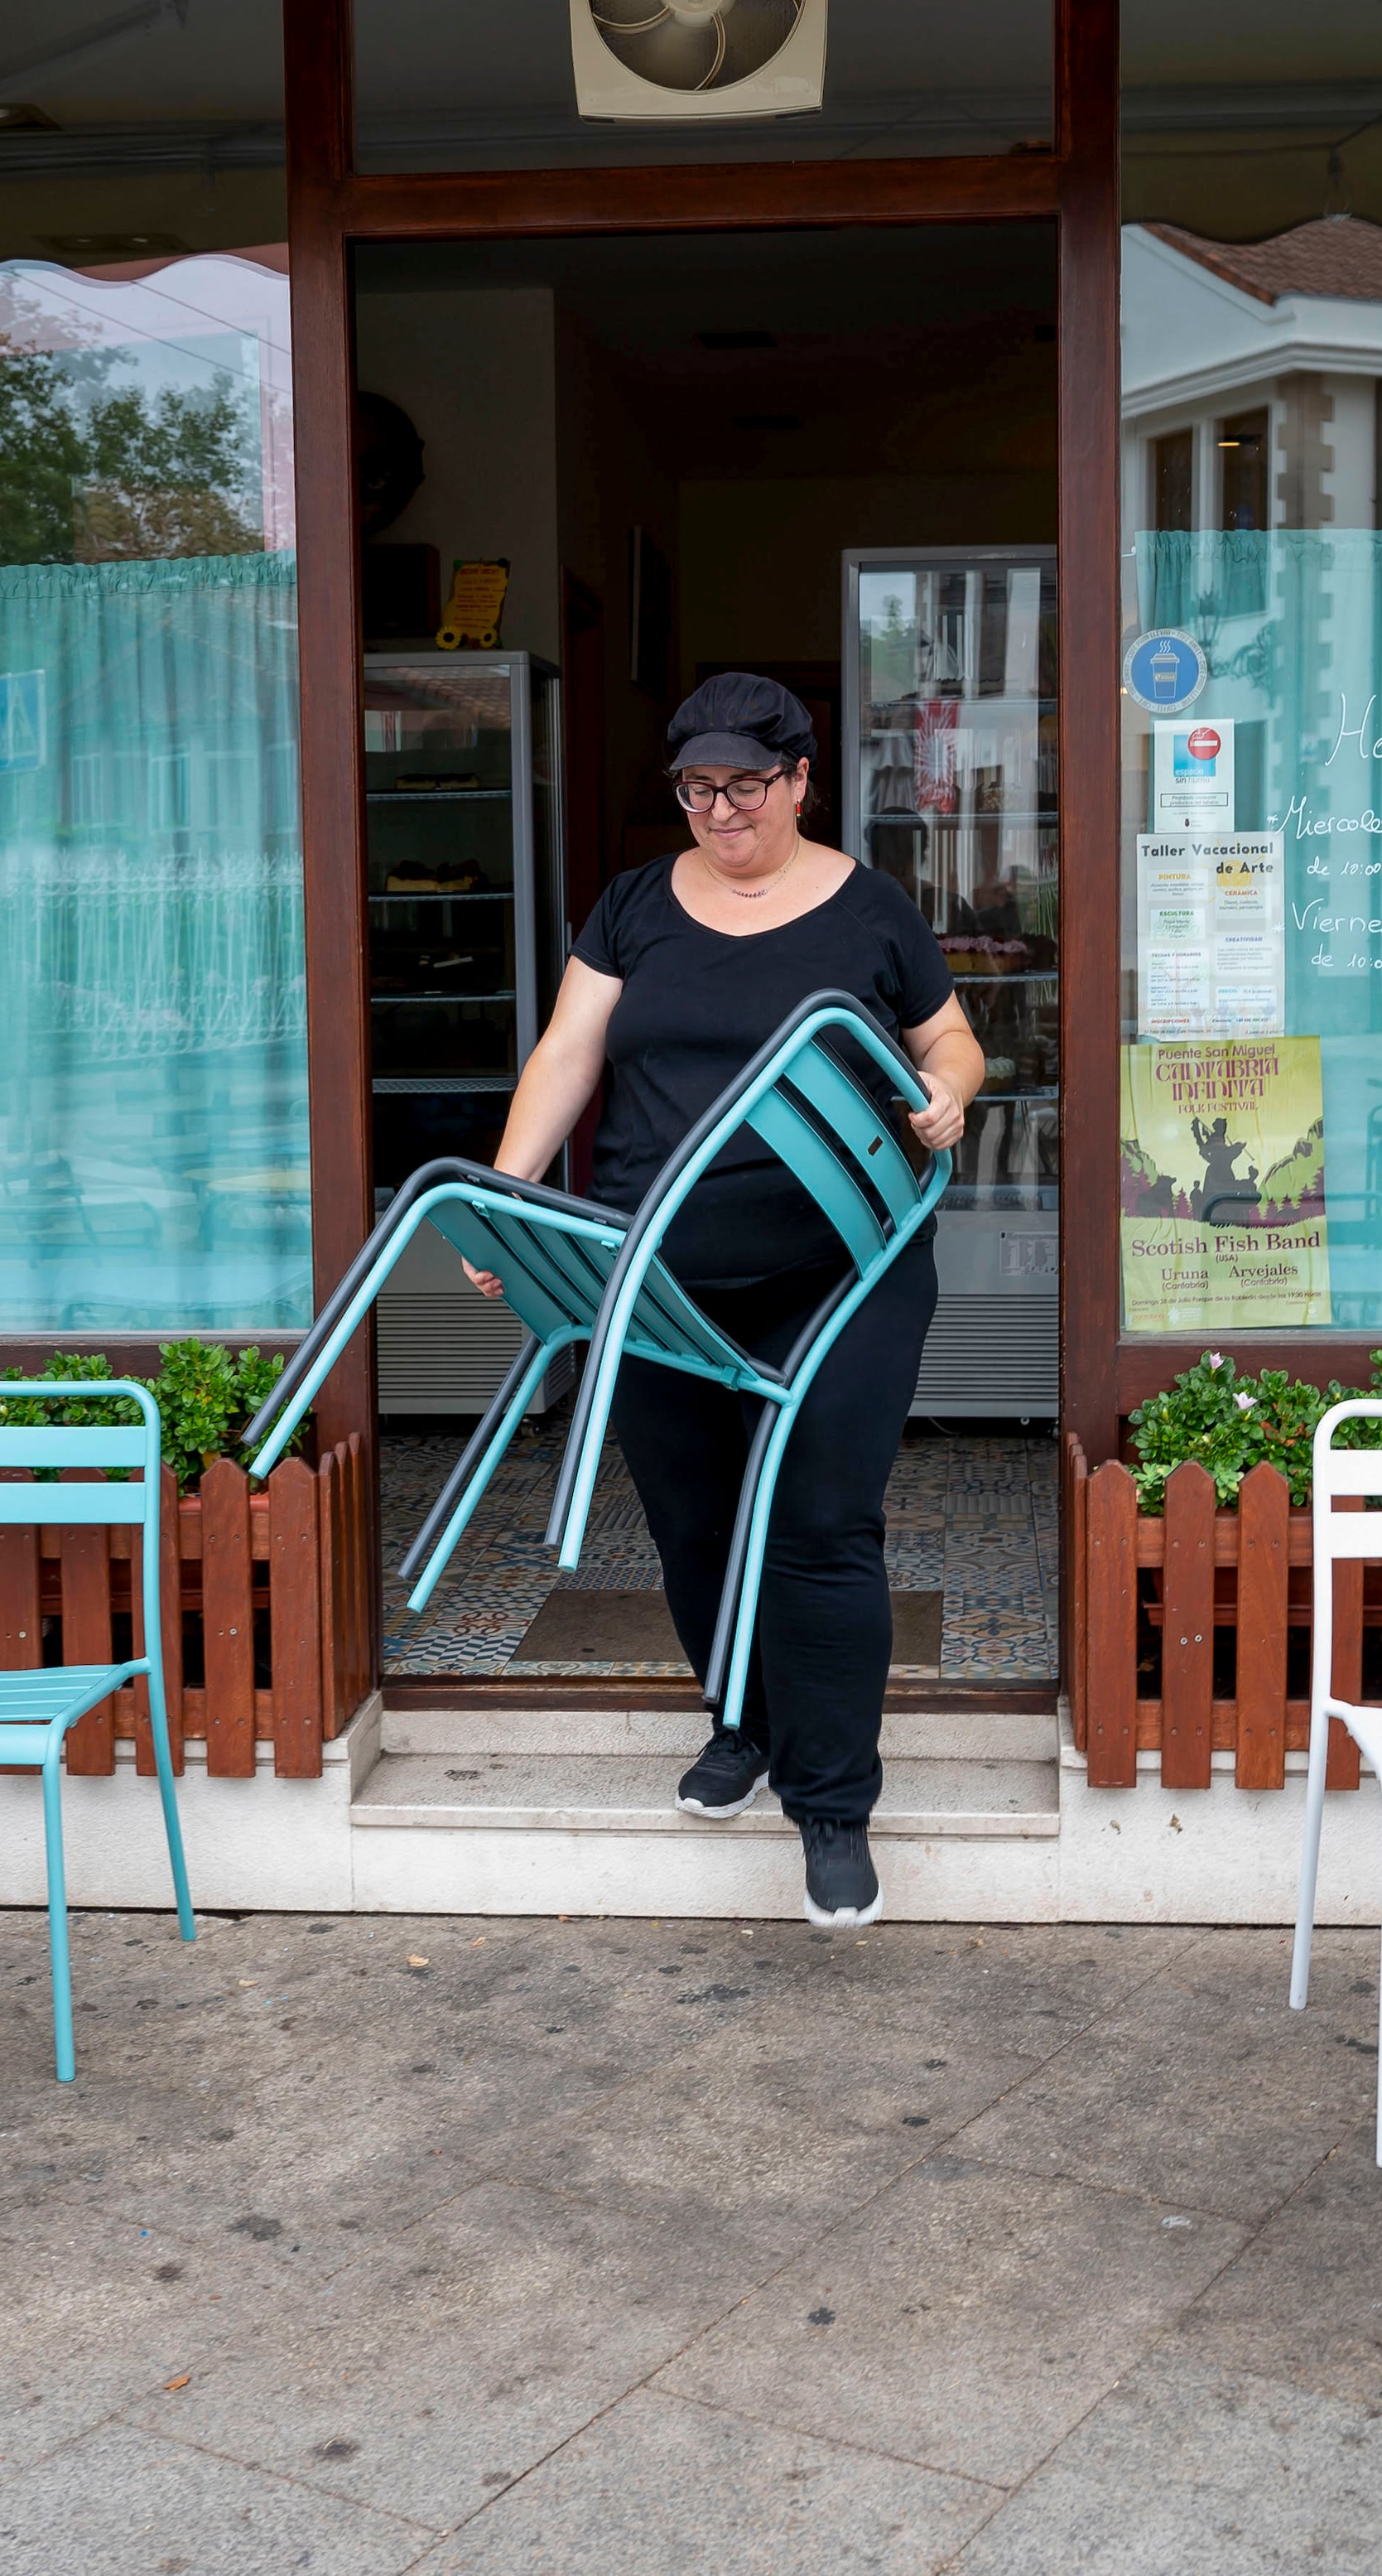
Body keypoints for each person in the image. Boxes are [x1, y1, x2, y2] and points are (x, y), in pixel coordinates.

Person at [469, 673, 984, 1929]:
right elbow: (568, 1052)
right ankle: (742, 1720)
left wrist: (953, 1091)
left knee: (818, 1520)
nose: (719, 809)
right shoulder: (633, 907)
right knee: (696, 1521)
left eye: (745, 784)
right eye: (697, 787)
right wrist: (507, 1191)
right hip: (658, 1272)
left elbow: (952, 1037)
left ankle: (834, 1807)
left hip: (846, 1270)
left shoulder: (871, 910)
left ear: (801, 780)